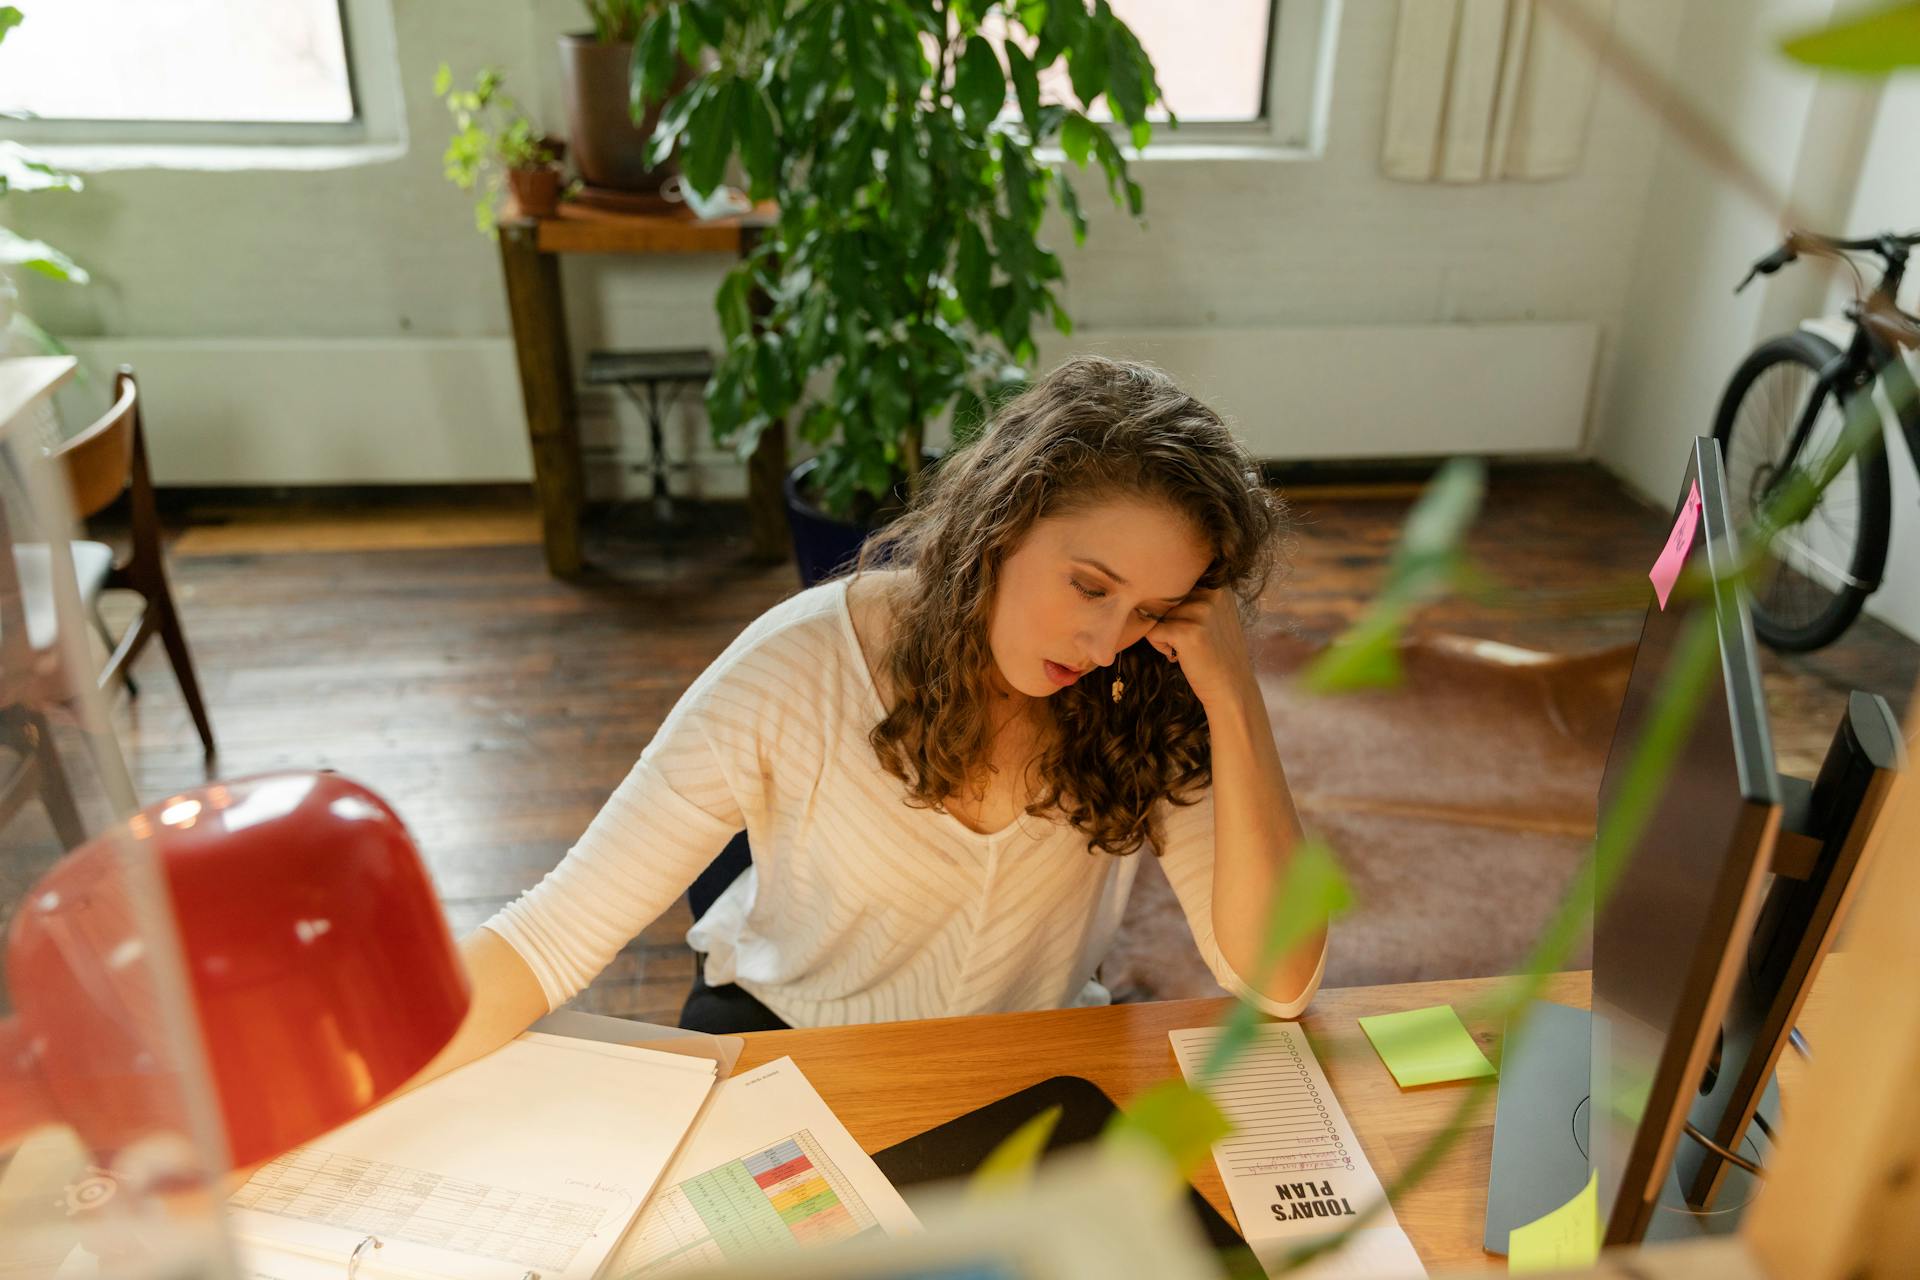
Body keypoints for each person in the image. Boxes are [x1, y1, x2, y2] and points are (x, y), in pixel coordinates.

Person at [420, 355, 1326, 1072]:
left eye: (1148, 610)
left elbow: (1277, 985)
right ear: (1002, 521)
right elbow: (552, 933)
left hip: (1023, 1065)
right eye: (1089, 585)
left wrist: (1235, 696)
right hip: (788, 1035)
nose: (1102, 641)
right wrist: (342, 1091)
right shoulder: (797, 664)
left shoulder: (1143, 685)